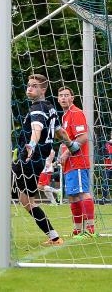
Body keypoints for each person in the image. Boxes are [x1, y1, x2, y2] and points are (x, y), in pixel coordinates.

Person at [0, 74, 75, 246]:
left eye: (34, 86)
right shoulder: (51, 108)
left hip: (28, 159)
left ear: (43, 89)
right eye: (28, 85)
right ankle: (55, 237)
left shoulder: (37, 108)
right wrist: (72, 146)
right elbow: (60, 132)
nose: (29, 88)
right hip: (38, 162)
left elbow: (36, 129)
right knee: (27, 201)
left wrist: (31, 145)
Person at [57, 86, 96, 237]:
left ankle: (90, 229)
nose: (64, 98)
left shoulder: (76, 113)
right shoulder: (64, 116)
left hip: (78, 161)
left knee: (82, 193)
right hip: (69, 164)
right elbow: (68, 139)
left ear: (72, 98)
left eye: (67, 95)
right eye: (61, 95)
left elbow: (83, 137)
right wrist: (62, 155)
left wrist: (66, 153)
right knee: (72, 196)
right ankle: (77, 229)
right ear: (58, 98)